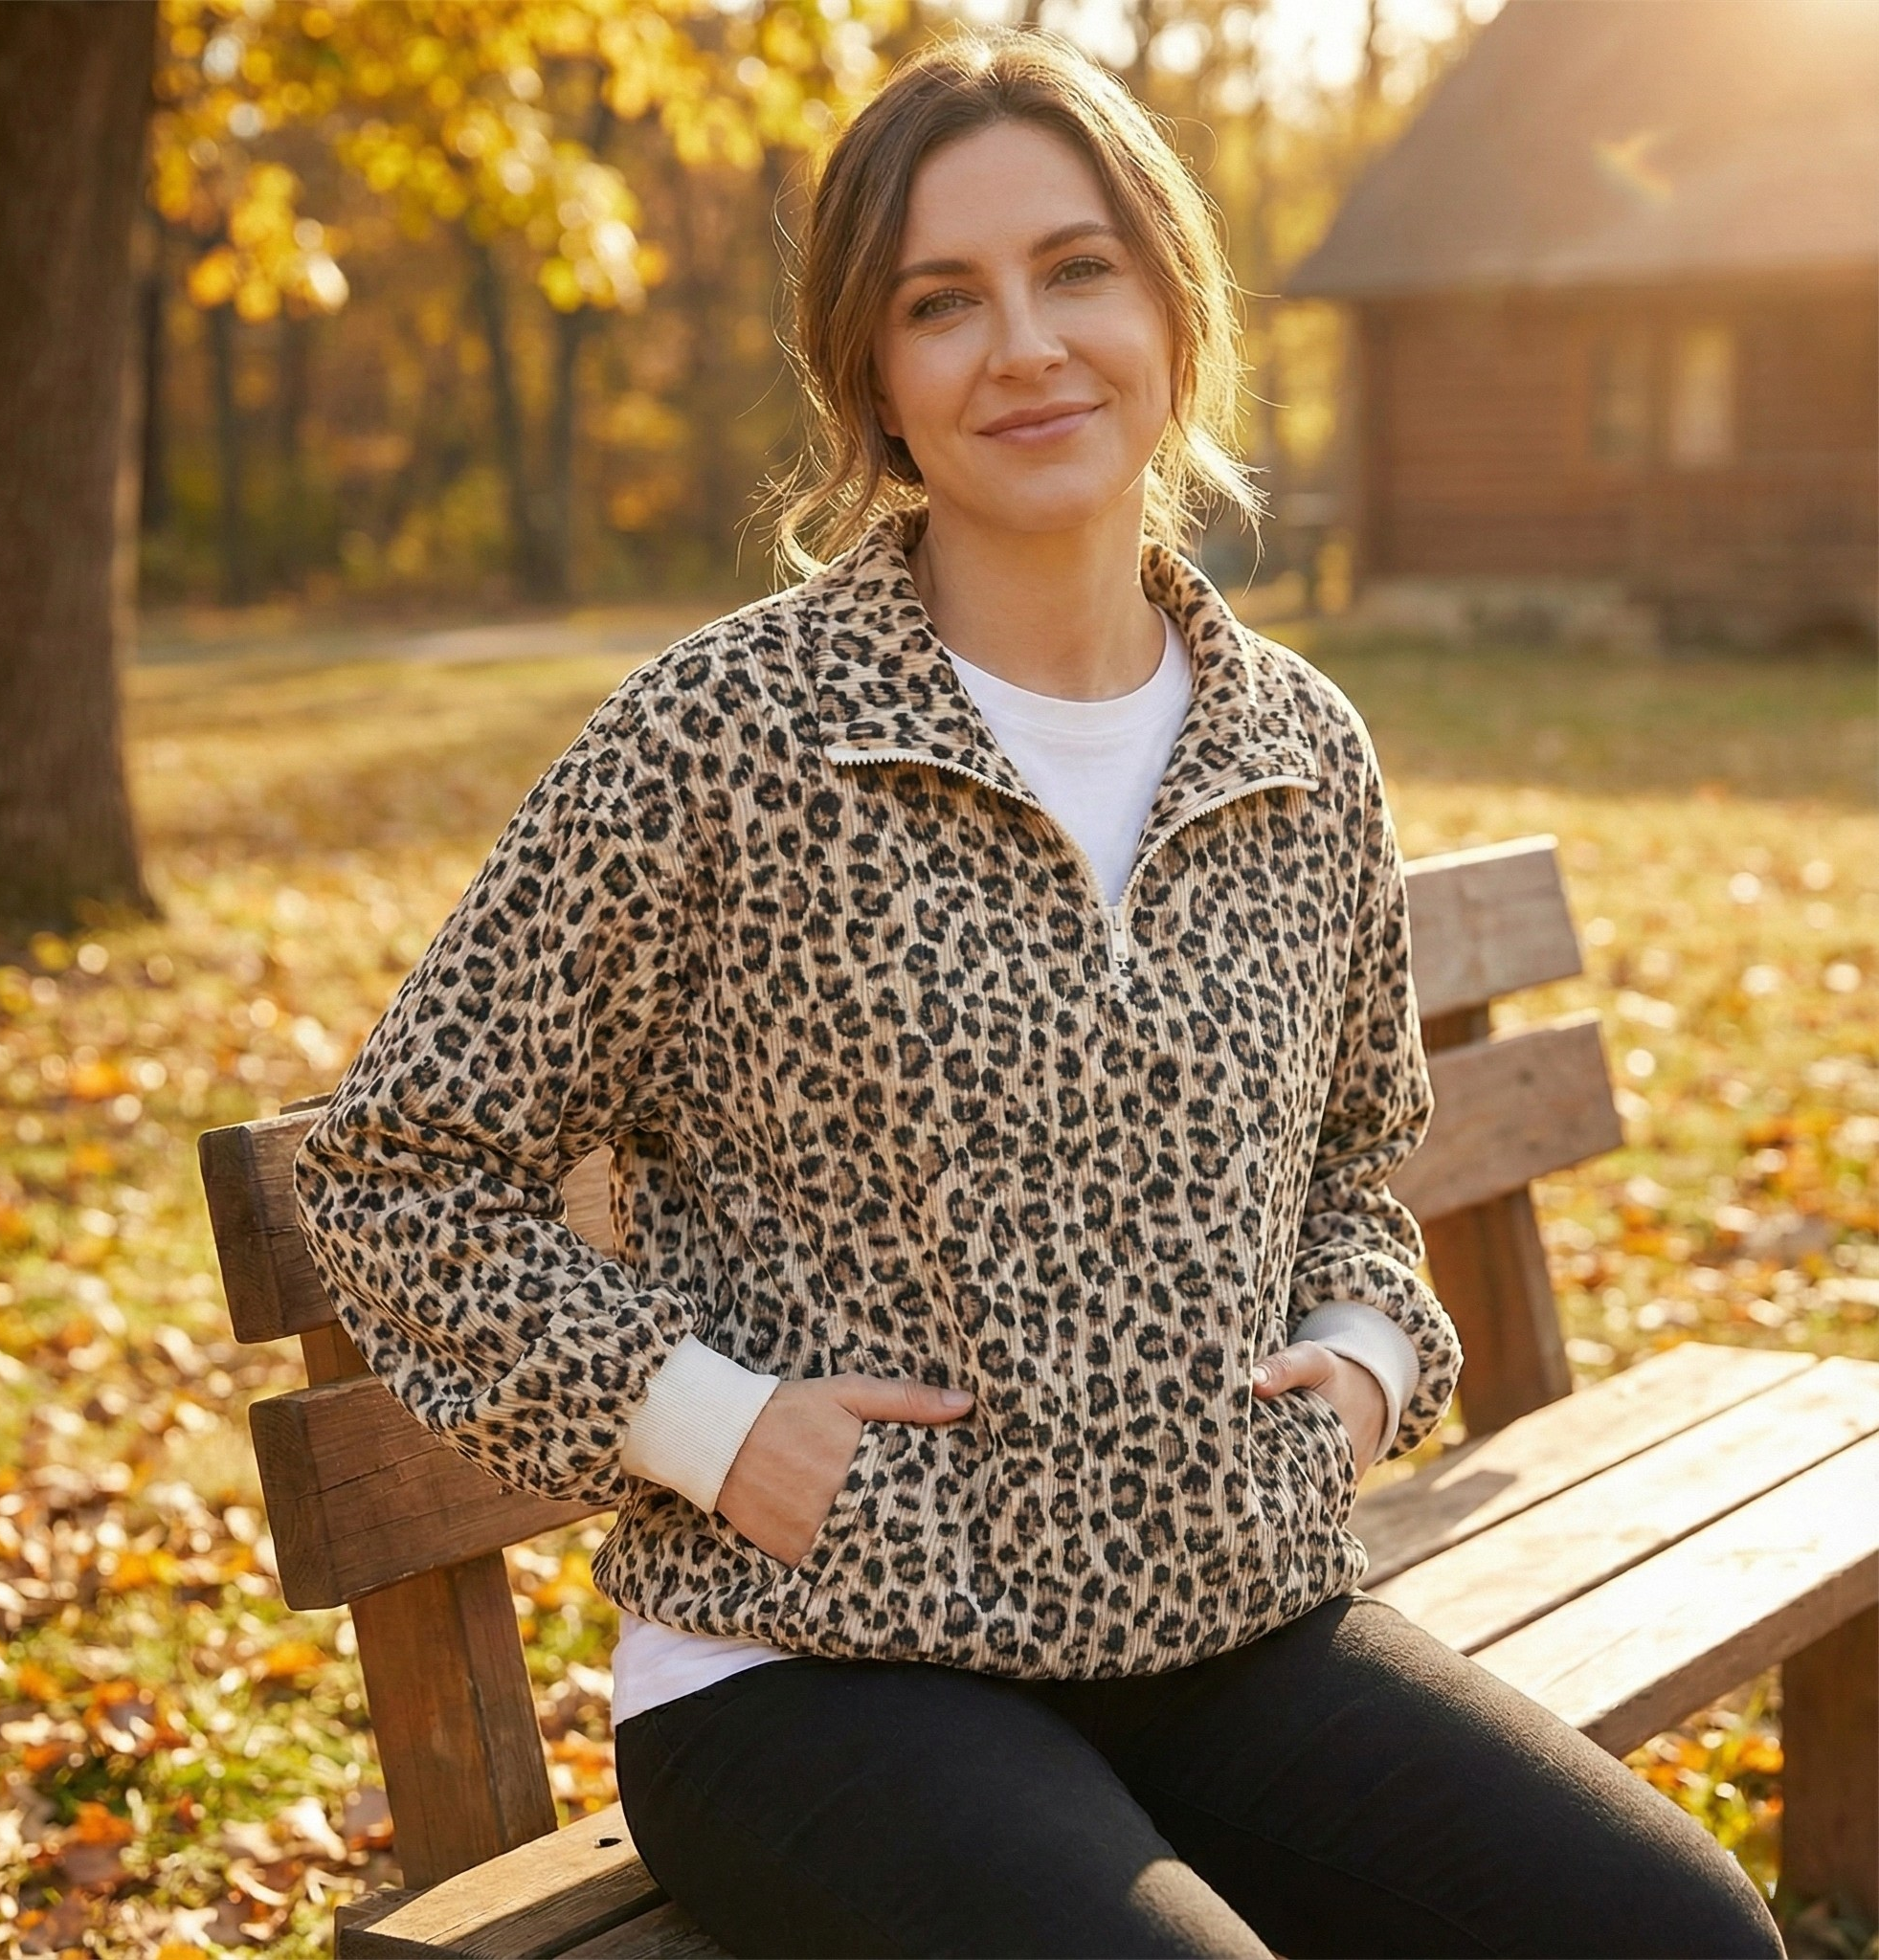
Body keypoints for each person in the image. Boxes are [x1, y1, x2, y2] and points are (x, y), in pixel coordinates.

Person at [292, 30, 1786, 1960]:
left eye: (1075, 270)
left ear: (1171, 312)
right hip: (818, 1663)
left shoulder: (1295, 745)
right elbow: (401, 1168)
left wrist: (1361, 1359)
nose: (1024, 344)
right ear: (877, 384)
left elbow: (1351, 1156)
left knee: (1683, 1940)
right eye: (942, 302)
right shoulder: (723, 734)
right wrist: (703, 1418)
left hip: (1223, 1619)